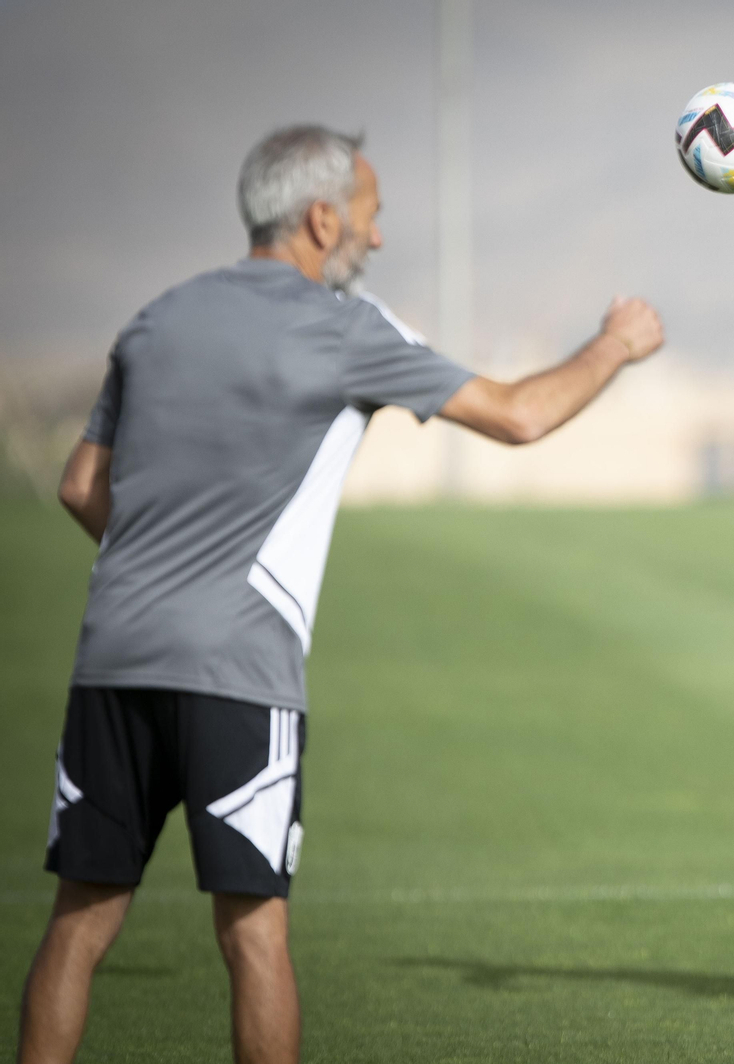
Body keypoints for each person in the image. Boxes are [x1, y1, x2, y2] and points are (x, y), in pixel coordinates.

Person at [18, 125, 664, 1064]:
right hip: (238, 672)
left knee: (79, 924)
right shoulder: (346, 327)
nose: (378, 235)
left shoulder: (155, 320)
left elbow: (82, 487)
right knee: (253, 935)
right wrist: (613, 344)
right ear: (322, 219)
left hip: (111, 661)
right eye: (371, 214)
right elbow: (519, 416)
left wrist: (162, 569)